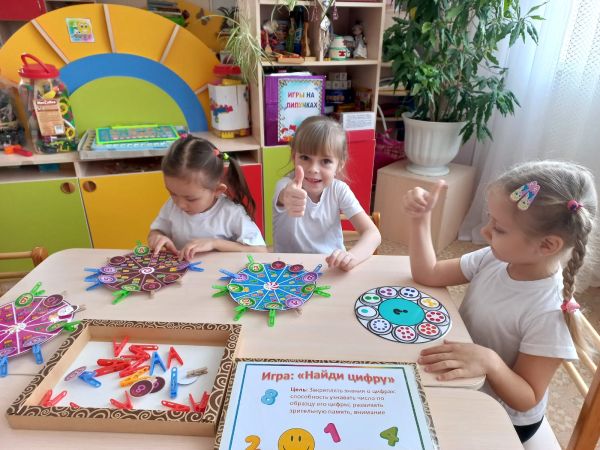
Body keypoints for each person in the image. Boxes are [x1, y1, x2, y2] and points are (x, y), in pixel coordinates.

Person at [402, 160, 597, 443]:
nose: (485, 231)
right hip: (467, 379)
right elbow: (428, 273)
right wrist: (420, 220)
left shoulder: (549, 312)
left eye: (499, 228)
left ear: (546, 245)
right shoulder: (494, 258)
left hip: (504, 417)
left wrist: (490, 362)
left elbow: (527, 398)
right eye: (489, 220)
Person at [273, 115, 381, 271]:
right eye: (305, 157)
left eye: (325, 161)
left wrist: (352, 256)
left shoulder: (339, 189)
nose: (313, 169)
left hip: (329, 268)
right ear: (294, 157)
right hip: (288, 270)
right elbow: (285, 195)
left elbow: (373, 233)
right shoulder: (284, 185)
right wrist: (286, 197)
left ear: (340, 164)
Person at [148, 135, 266, 260]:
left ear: (217, 190)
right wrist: (157, 237)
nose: (180, 204)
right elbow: (156, 231)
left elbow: (261, 251)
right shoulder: (171, 206)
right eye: (172, 193)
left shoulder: (231, 213)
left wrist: (214, 243)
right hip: (181, 271)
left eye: (191, 199)